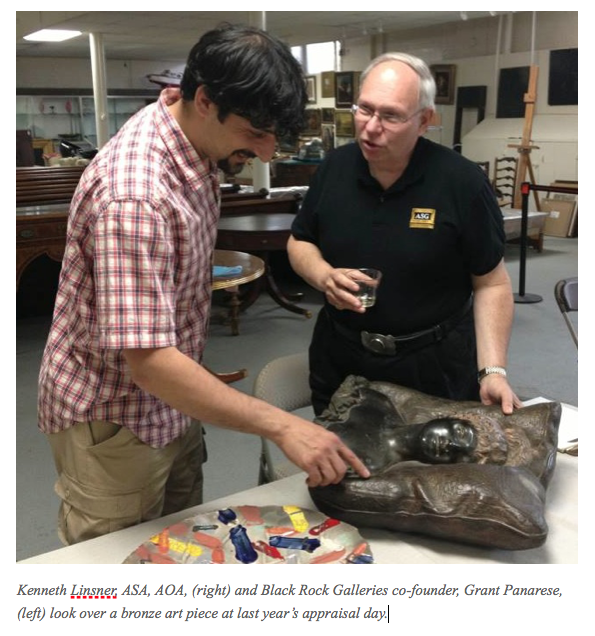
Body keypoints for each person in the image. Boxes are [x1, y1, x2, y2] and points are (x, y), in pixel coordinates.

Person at [37, 24, 369, 546]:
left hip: (173, 401)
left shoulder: (193, 140)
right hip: (115, 416)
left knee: (178, 546)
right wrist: (282, 425)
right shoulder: (136, 195)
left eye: (272, 137)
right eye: (253, 134)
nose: (263, 154)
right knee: (114, 571)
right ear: (205, 100)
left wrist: (194, 376)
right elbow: (146, 362)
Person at [288, 51, 522, 418]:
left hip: (433, 366)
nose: (370, 127)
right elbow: (300, 240)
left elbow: (491, 283)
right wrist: (323, 275)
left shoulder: (461, 183)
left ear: (424, 119)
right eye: (364, 109)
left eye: (391, 115)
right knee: (342, 468)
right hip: (342, 359)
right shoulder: (334, 168)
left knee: (433, 474)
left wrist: (493, 370)